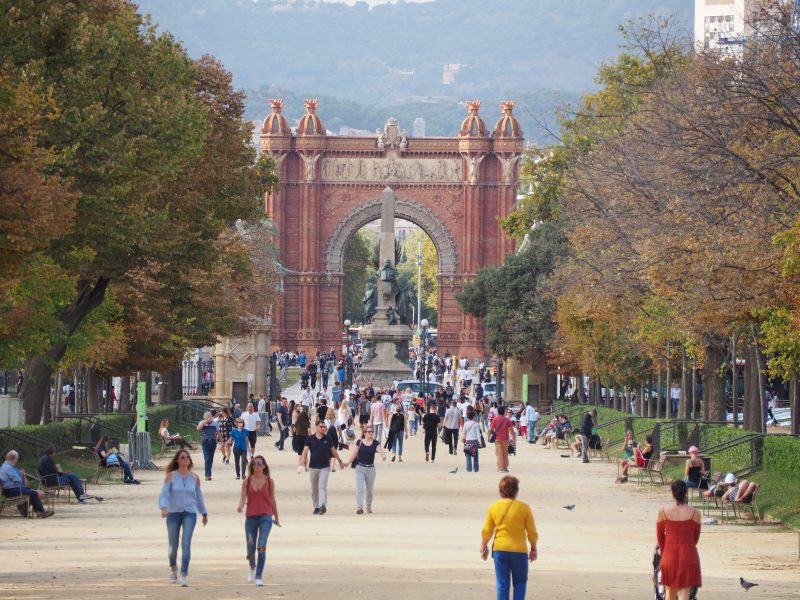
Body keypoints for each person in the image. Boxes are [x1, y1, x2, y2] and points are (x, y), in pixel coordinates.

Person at [480, 475, 538, 600]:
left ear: (500, 491)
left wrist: (483, 546)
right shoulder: (524, 508)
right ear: (516, 491)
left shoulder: (494, 507)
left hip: (500, 551)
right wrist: (533, 548)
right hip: (519, 551)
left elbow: (487, 530)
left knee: (502, 584)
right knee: (520, 583)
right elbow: (532, 532)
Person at [158, 450, 208, 587]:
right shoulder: (171, 476)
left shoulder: (195, 478)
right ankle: (173, 568)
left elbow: (198, 497)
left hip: (190, 513)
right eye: (182, 457)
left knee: (186, 544)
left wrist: (204, 513)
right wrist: (163, 507)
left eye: (187, 457)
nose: (185, 459)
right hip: (173, 513)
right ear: (177, 460)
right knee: (173, 546)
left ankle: (184, 574)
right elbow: (164, 494)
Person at [237, 455, 279, 587]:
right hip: (251, 517)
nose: (256, 466)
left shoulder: (269, 481)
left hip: (265, 517)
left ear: (264, 466)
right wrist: (240, 506)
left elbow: (272, 499)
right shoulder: (247, 481)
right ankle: (252, 567)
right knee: (250, 547)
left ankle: (259, 576)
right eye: (254, 464)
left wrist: (276, 516)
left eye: (259, 464)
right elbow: (243, 497)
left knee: (261, 545)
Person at [656, 480, 701, 600]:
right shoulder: (695, 513)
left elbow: (660, 537)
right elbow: (695, 538)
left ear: (672, 493)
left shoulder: (663, 512)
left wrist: (664, 551)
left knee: (669, 592)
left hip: (670, 555)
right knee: (685, 592)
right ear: (686, 492)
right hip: (688, 555)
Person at [301, 420, 345, 515]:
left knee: (322, 486)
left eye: (324, 427)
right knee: (314, 488)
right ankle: (316, 506)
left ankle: (322, 505)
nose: (324, 428)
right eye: (321, 427)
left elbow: (333, 451)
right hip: (313, 467)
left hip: (325, 467)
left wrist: (340, 461)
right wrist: (303, 461)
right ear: (316, 427)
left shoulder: (328, 438)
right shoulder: (310, 439)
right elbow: (305, 451)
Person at [345, 425, 387, 514]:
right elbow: (354, 453)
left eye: (372, 432)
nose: (371, 433)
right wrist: (348, 462)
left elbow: (380, 450)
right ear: (365, 433)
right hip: (360, 468)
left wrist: (383, 455)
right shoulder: (359, 442)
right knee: (360, 488)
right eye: (369, 432)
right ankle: (359, 507)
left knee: (369, 490)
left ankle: (368, 506)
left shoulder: (375, 442)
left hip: (371, 469)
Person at [0, 450, 54, 518]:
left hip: (11, 489)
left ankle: (24, 508)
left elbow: (18, 481)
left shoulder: (7, 466)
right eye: (17, 459)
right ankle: (39, 512)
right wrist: (22, 475)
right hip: (11, 490)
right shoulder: (8, 467)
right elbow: (18, 480)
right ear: (14, 458)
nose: (17, 461)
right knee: (33, 493)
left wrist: (21, 476)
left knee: (33, 492)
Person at [488, 406, 515, 473]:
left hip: (497, 439)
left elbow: (491, 429)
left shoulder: (495, 419)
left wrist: (488, 437)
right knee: (505, 453)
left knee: (499, 453)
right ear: (504, 412)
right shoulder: (507, 420)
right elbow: (511, 430)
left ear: (498, 412)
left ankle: (500, 468)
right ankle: (505, 468)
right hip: (505, 439)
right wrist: (514, 438)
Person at [195, 411, 220, 481]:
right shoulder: (202, 422)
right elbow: (198, 429)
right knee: (207, 458)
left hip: (213, 442)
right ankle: (207, 475)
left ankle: (208, 473)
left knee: (211, 458)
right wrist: (204, 423)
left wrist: (222, 442)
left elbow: (218, 433)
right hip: (205, 441)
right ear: (205, 418)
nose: (208, 420)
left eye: (209, 418)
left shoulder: (215, 423)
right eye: (206, 418)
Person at [462, 406, 482, 473]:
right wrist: (480, 442)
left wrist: (464, 440)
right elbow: (478, 435)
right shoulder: (476, 424)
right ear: (473, 416)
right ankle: (476, 469)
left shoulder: (465, 424)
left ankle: (469, 469)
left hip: (467, 441)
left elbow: (464, 433)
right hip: (475, 441)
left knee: (468, 456)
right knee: (476, 456)